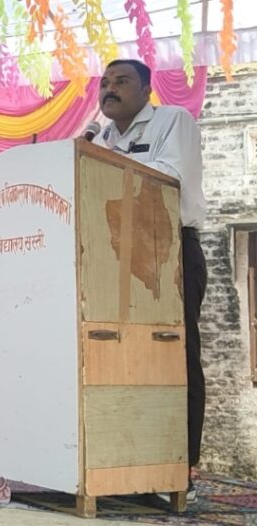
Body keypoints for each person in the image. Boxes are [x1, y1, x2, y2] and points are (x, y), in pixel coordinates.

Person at [94, 59, 207, 501]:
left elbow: (168, 178)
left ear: (146, 89)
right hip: (111, 256)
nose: (110, 88)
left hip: (169, 248)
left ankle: (179, 472)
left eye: (121, 81)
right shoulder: (100, 138)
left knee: (173, 358)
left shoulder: (172, 121)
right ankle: (128, 464)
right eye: (105, 83)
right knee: (121, 360)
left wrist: (99, 164)